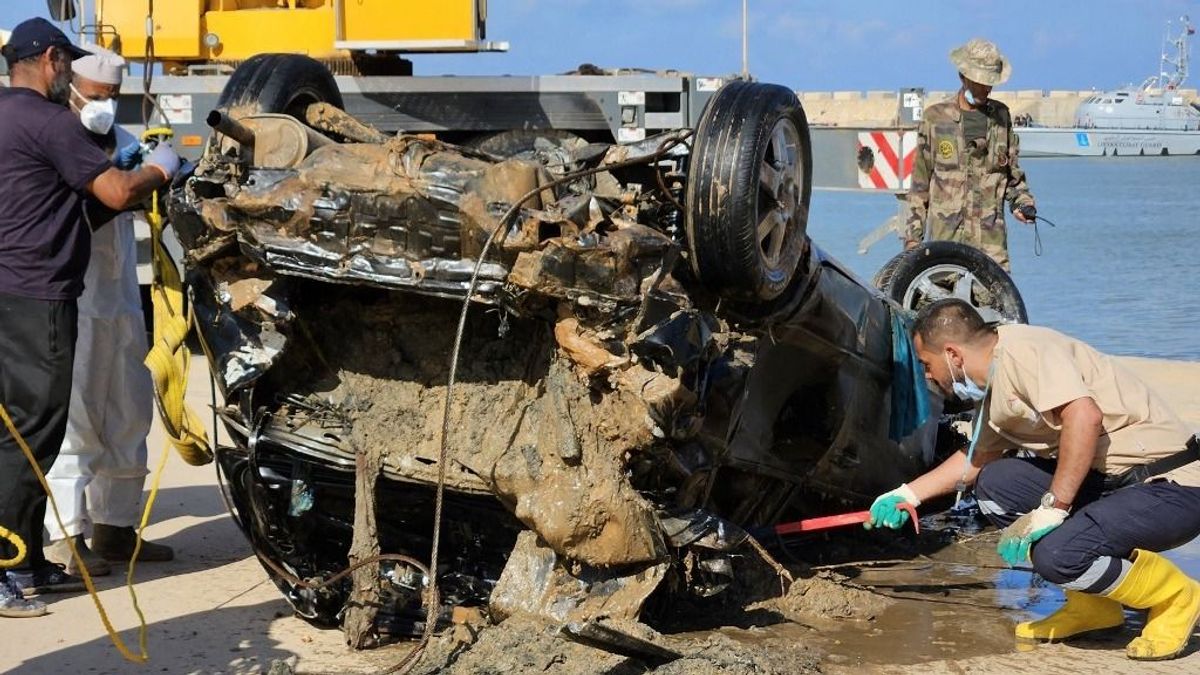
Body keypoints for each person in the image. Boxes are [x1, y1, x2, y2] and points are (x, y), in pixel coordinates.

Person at [866, 298, 1200, 661]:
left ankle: (1176, 597)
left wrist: (1053, 507)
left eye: (926, 365)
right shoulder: (994, 383)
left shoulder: (1024, 350)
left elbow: (1083, 417)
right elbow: (977, 459)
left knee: (1057, 557)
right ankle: (1094, 607)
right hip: (1111, 485)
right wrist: (907, 495)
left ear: (953, 354)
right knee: (996, 485)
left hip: (1169, 486)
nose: (927, 375)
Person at [0, 17, 179, 618]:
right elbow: (113, 197)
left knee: (40, 431)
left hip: (30, 294)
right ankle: (9, 564)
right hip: (40, 299)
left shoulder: (8, 117)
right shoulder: (51, 123)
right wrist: (159, 170)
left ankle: (27, 561)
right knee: (34, 437)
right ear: (53, 62)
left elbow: (64, 210)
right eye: (69, 69)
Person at [40, 47, 174, 579]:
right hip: (73, 296)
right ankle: (65, 537)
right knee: (77, 421)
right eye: (98, 95)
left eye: (113, 97)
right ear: (72, 87)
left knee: (129, 411)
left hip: (119, 301)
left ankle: (115, 529)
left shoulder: (122, 141)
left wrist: (161, 174)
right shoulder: (56, 139)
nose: (105, 105)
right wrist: (139, 183)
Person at [904, 38, 1037, 271]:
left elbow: (1014, 179)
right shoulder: (935, 119)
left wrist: (1022, 203)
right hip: (945, 247)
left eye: (990, 82)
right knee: (940, 307)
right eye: (981, 81)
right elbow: (920, 185)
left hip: (991, 252)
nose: (987, 88)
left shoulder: (1001, 118)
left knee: (994, 307)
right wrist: (913, 238)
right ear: (963, 76)